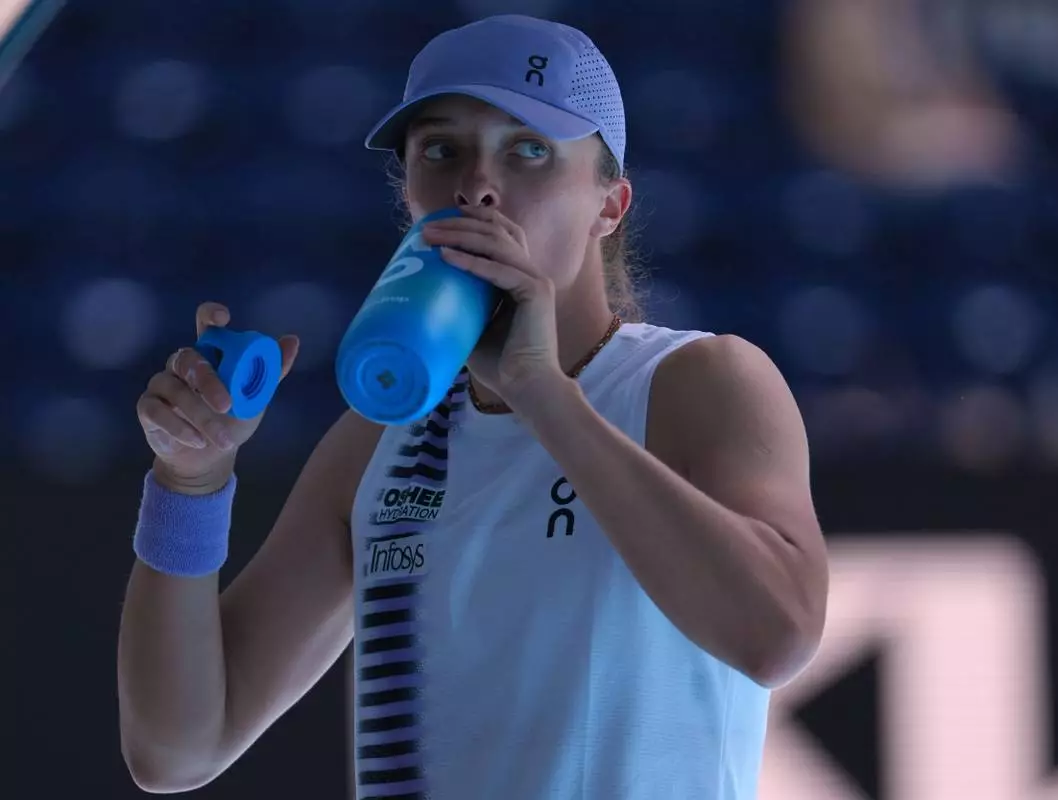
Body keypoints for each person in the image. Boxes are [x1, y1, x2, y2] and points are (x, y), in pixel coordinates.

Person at [117, 14, 828, 800]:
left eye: (528, 150)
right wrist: (190, 481)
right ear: (409, 192)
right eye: (441, 151)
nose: (477, 186)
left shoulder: (699, 380)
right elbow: (176, 750)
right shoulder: (377, 441)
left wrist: (541, 392)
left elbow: (776, 638)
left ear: (610, 204)